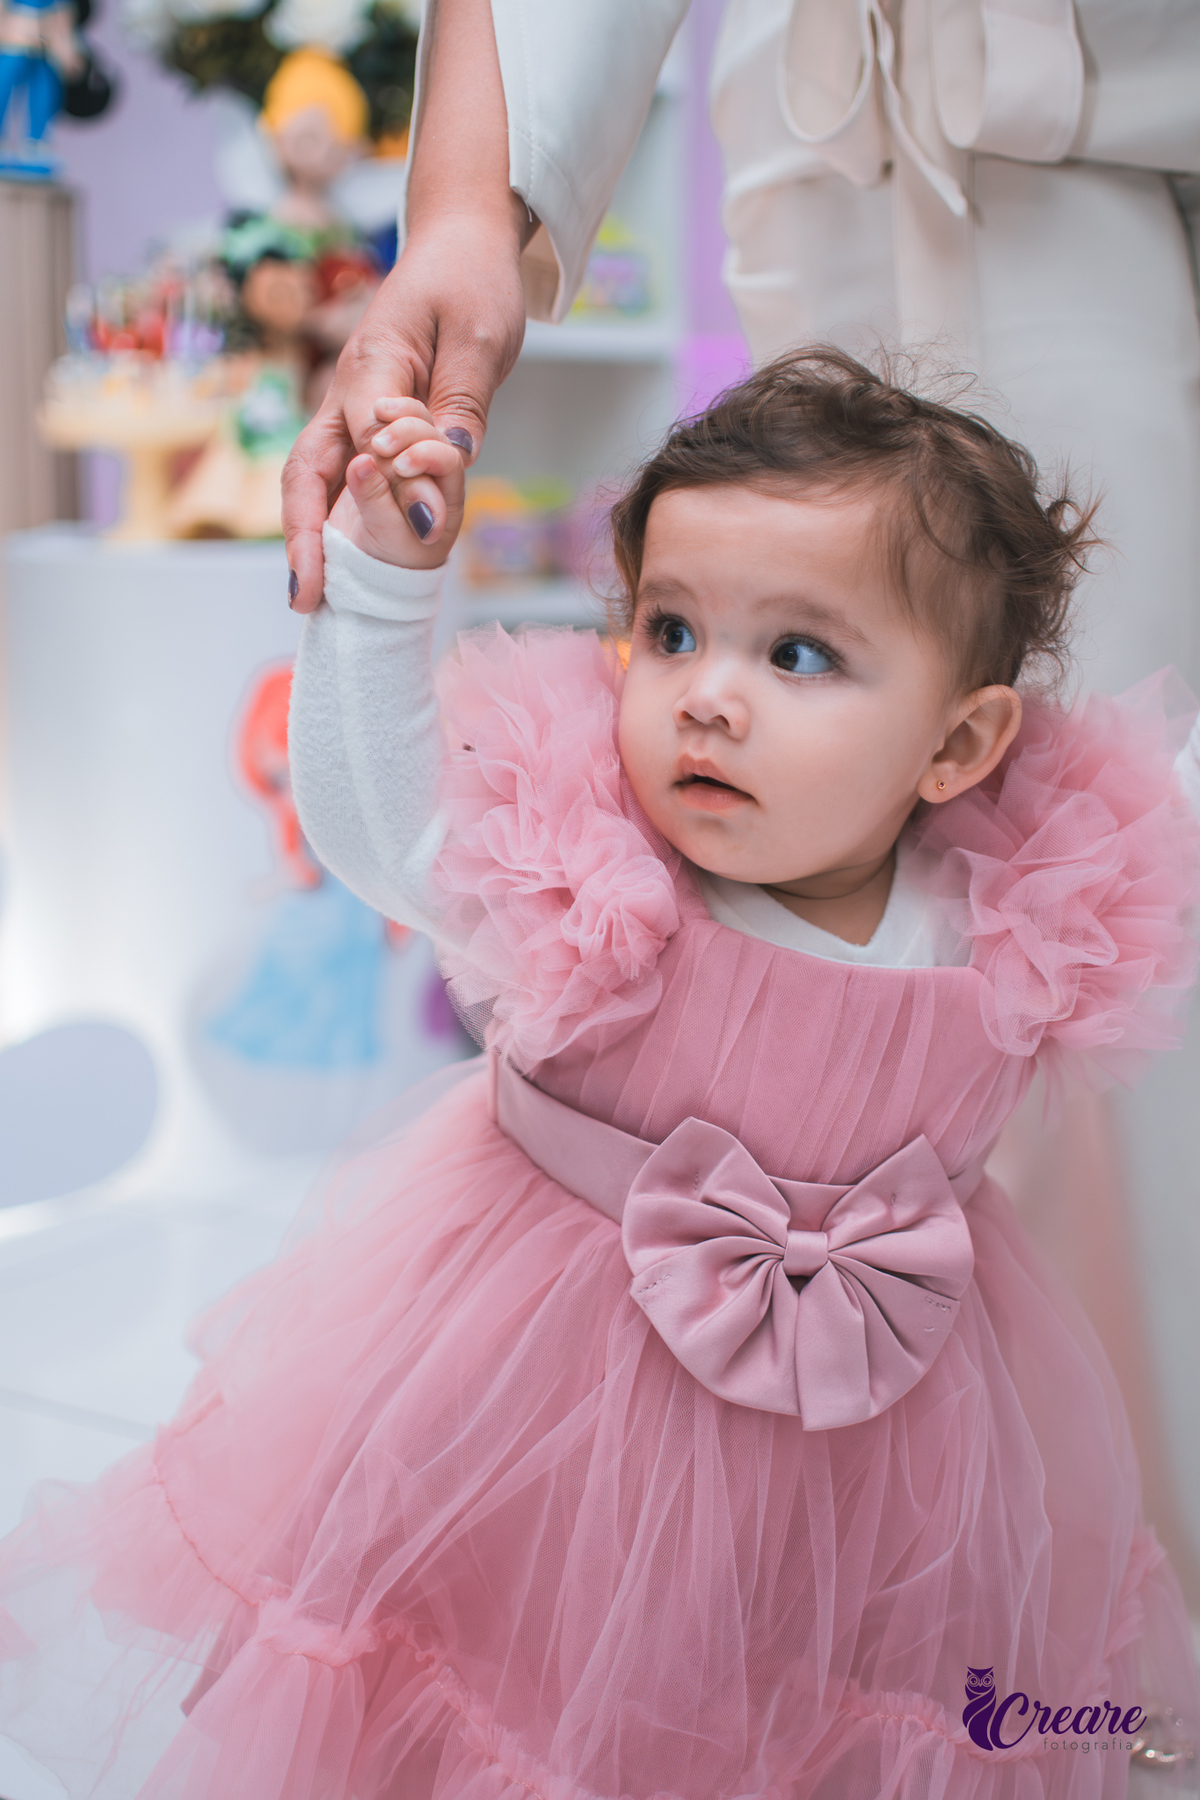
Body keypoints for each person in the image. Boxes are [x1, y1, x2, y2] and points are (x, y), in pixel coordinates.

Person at [3, 347, 1200, 1793]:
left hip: (882, 1447)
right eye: (673, 630)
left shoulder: (1023, 913)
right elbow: (377, 829)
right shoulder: (596, 872)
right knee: (511, 1695)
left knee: (803, 1712)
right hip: (551, 1392)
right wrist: (381, 595)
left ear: (958, 743)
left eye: (798, 654)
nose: (706, 697)